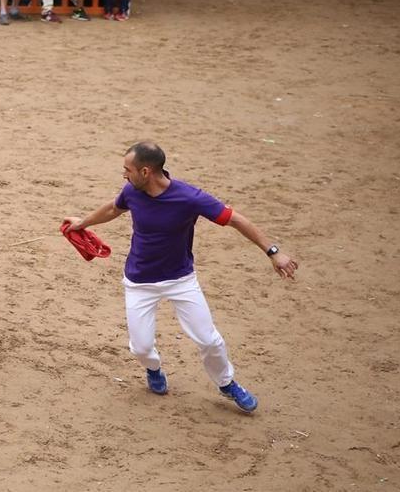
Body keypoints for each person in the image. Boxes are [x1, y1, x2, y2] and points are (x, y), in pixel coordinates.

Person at [63, 142, 298, 413]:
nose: (124, 176)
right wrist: (83, 223)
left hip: (180, 280)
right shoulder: (132, 191)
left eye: (127, 170)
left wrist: (273, 252)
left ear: (146, 171)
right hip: (139, 281)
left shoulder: (190, 198)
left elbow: (236, 220)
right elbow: (114, 208)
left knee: (209, 340)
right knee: (140, 348)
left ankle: (227, 383)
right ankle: (153, 370)